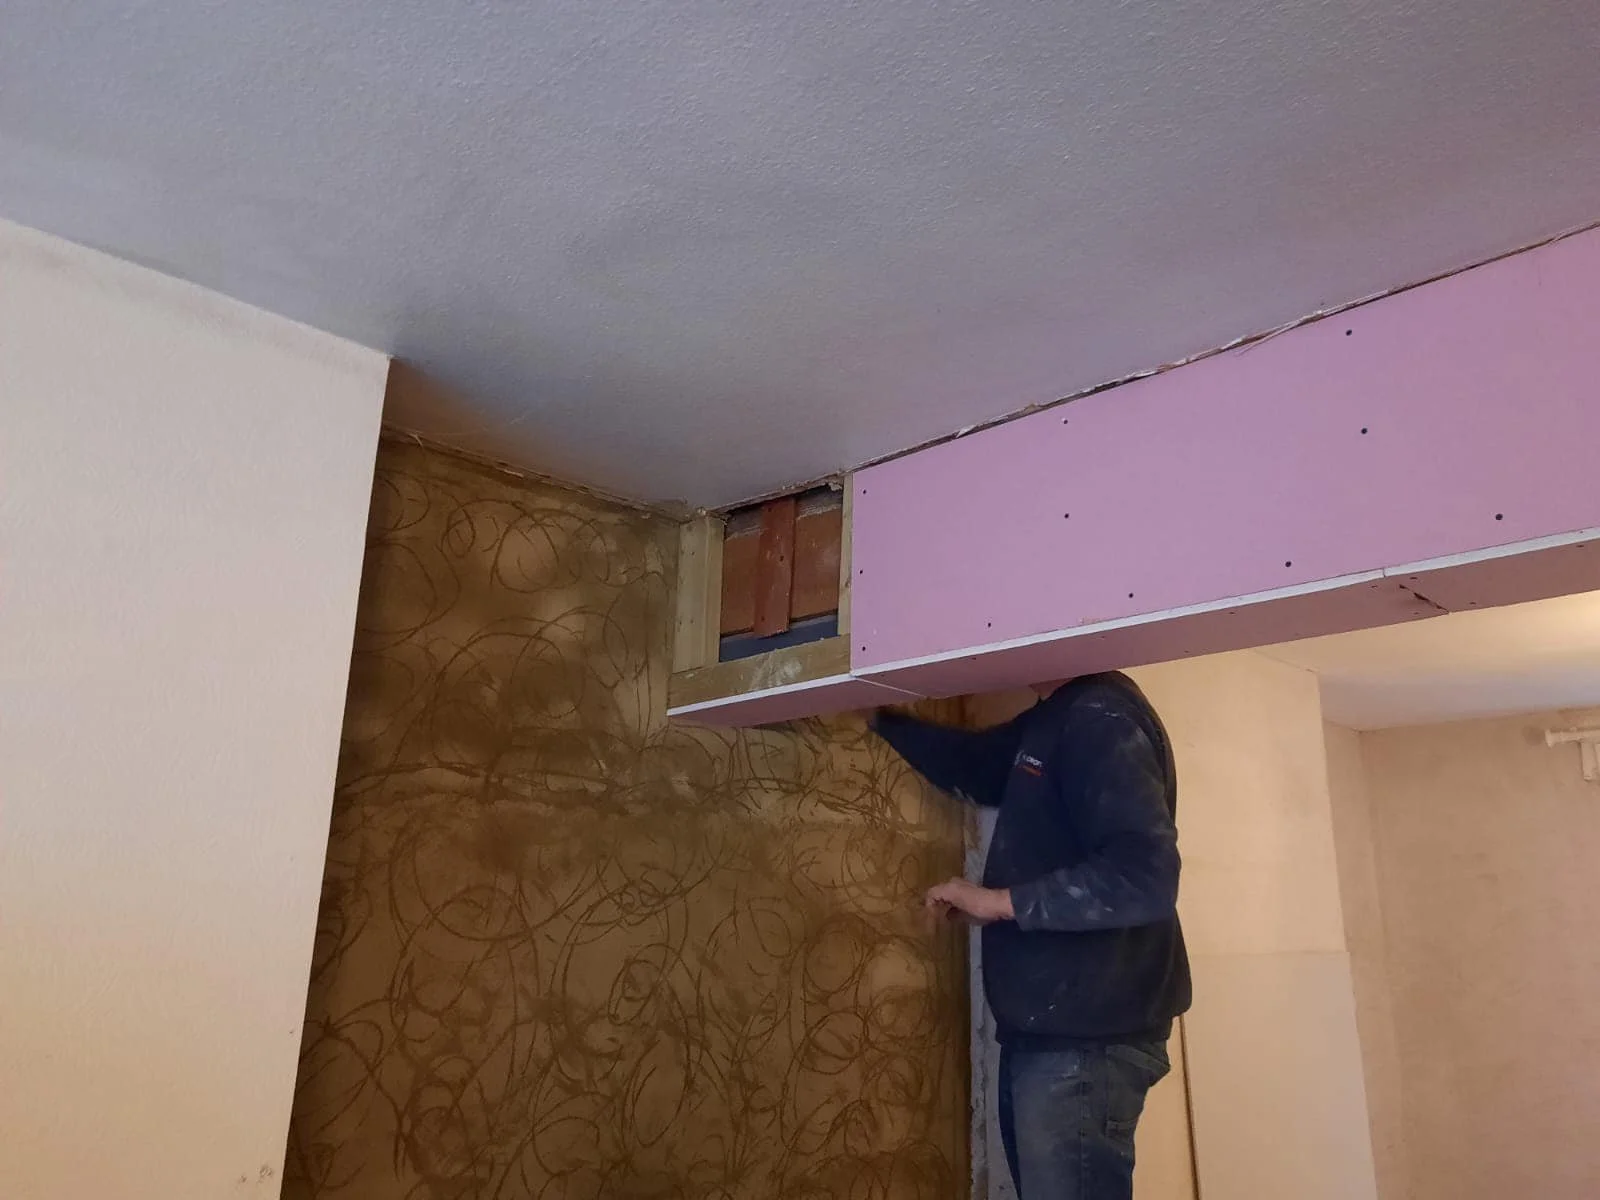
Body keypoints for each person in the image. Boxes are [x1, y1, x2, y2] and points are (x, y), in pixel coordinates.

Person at [870, 671, 1190, 1200]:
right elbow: (979, 766)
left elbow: (1145, 877)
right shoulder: (1058, 715)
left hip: (1088, 1042)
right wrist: (877, 718)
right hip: (1055, 1037)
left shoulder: (1099, 716)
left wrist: (999, 902)